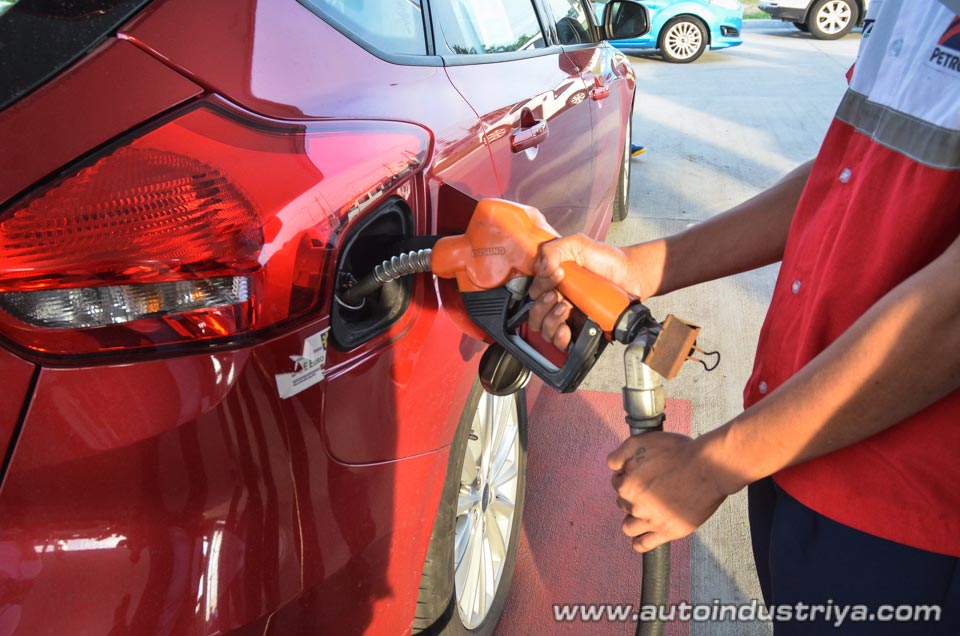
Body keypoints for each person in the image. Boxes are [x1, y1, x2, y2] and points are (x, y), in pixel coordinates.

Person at [527, 1, 960, 633]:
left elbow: (949, 317)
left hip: (907, 513)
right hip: (790, 453)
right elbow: (847, 177)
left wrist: (714, 464)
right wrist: (640, 266)